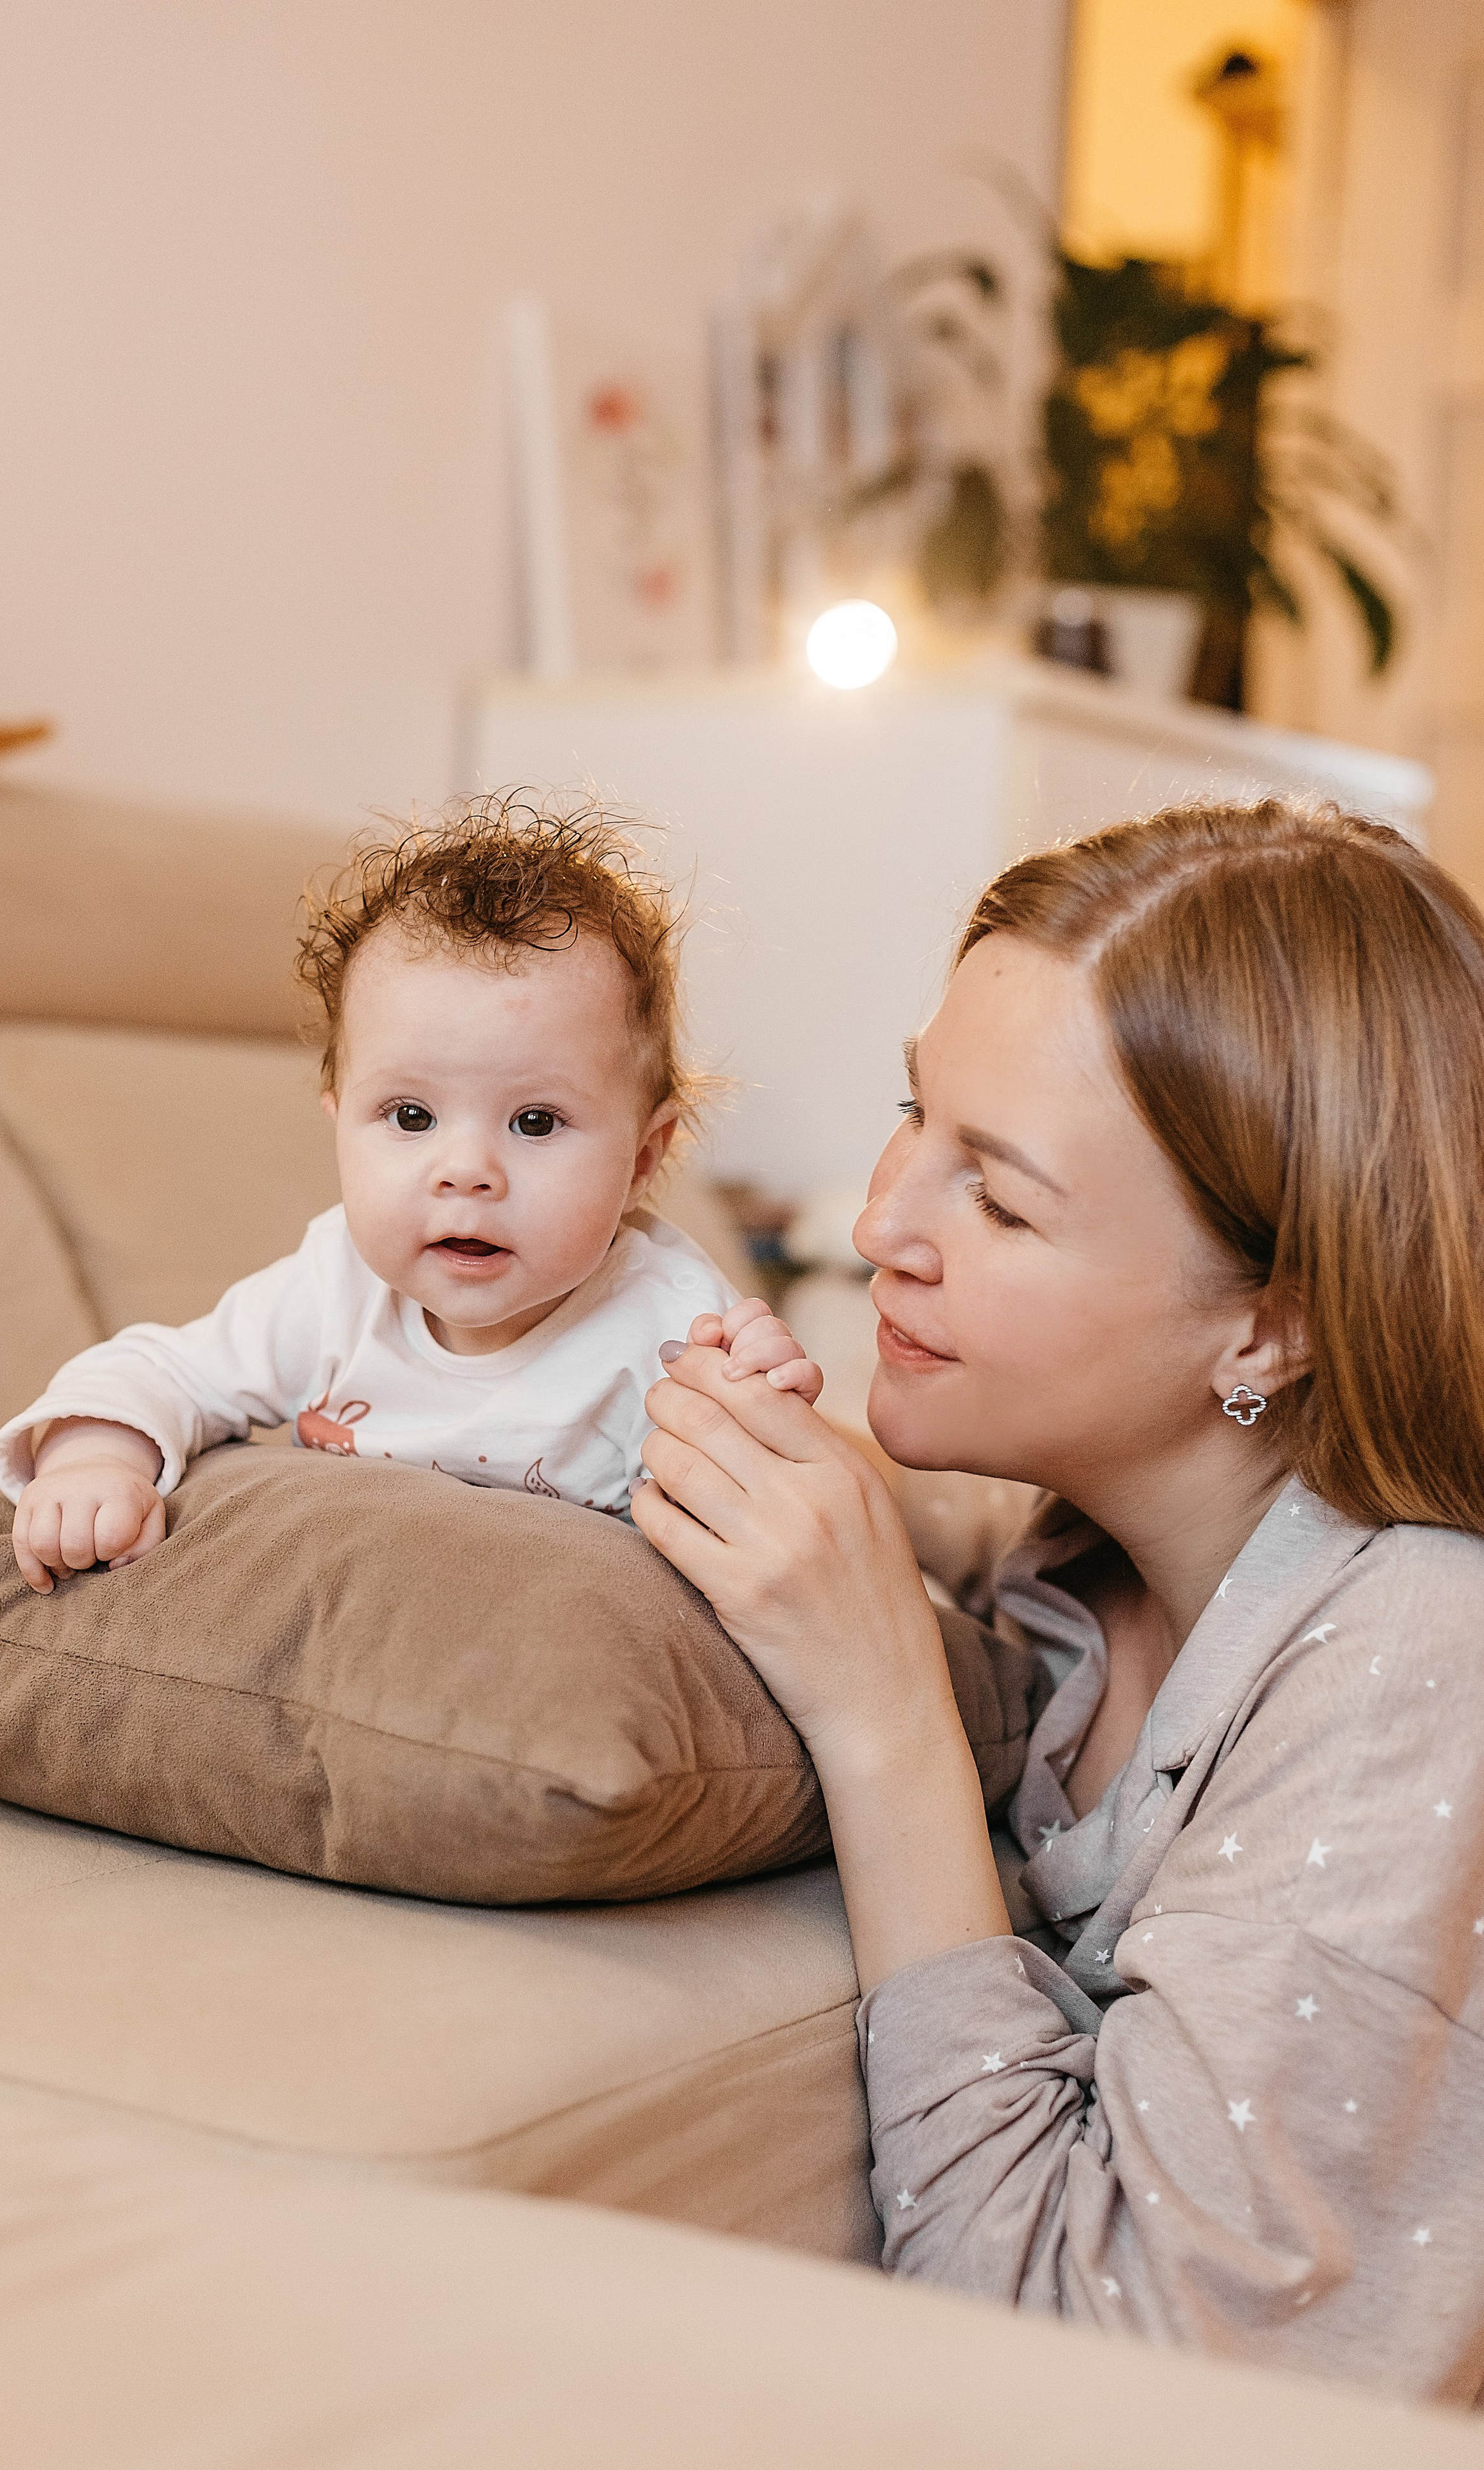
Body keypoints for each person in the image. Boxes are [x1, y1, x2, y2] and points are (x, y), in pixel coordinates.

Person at [632, 798, 1484, 2406]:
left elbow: (1095, 2375)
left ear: (1265, 1329)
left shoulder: (1420, 1659)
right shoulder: (1079, 1562)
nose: (879, 1226)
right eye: (912, 1112)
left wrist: (887, 1723)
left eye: (1001, 1203)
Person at [0, 798, 818, 1591]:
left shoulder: (672, 1329)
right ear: (339, 1125)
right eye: (411, 1115)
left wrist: (760, 1415)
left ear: (643, 1159)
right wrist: (96, 1459)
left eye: (534, 1122)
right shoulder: (334, 1286)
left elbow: (756, 1536)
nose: (466, 1171)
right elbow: (165, 1370)